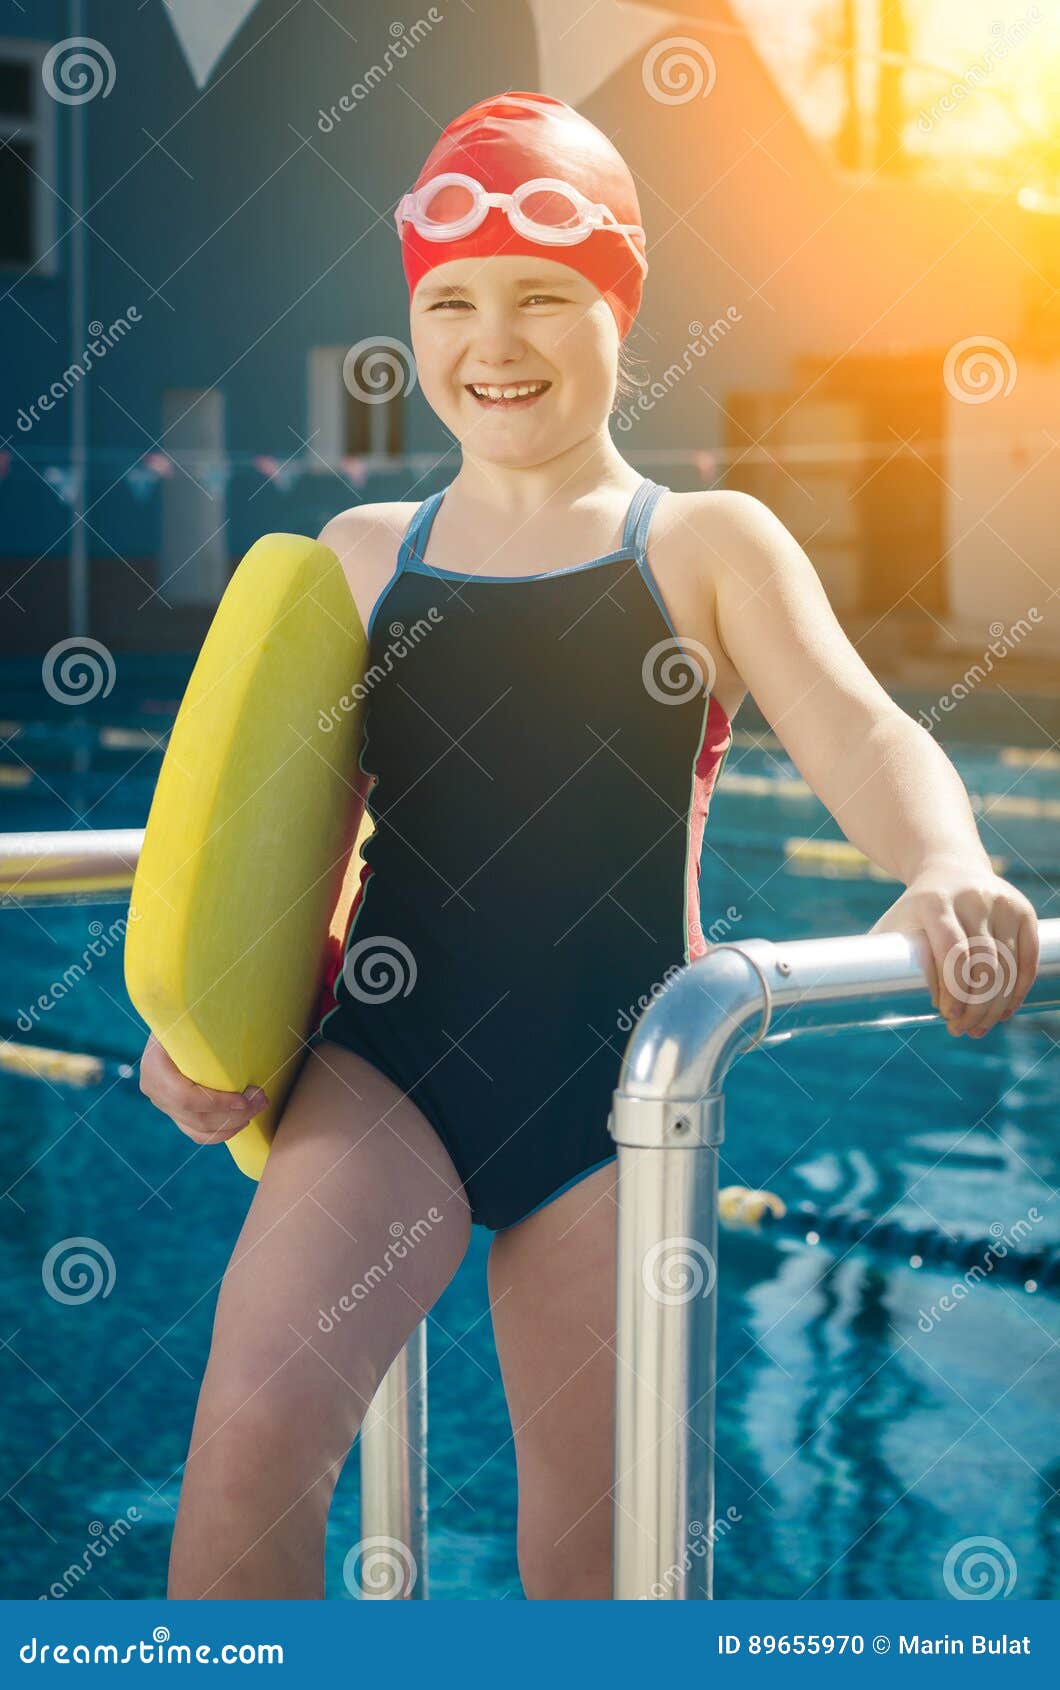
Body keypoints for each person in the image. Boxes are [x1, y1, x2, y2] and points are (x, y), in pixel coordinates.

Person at [140, 92, 1039, 1601]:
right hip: (387, 1067)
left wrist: (946, 857)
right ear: (414, 325)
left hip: (623, 1094)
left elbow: (868, 731)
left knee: (602, 1535)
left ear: (621, 301)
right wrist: (208, 1030)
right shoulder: (364, 559)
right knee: (248, 1433)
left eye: (544, 297)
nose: (497, 340)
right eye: (453, 304)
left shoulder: (702, 545)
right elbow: (273, 848)